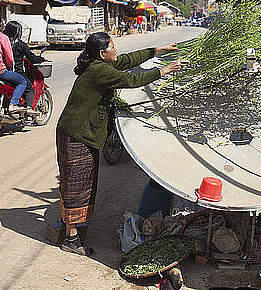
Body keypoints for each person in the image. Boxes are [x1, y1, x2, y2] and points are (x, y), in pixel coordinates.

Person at [56, 32, 188, 256]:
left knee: (82, 182)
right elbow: (131, 80)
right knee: (76, 185)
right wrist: (163, 70)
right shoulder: (101, 71)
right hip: (76, 133)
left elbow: (127, 60)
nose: (115, 50)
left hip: (80, 132)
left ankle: (72, 226)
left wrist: (158, 50)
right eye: (112, 47)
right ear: (102, 53)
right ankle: (70, 238)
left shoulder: (102, 64)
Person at [3, 21, 46, 113]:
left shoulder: (2, 42)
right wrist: (41, 59)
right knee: (30, 89)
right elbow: (31, 57)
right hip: (17, 72)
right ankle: (29, 109)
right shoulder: (20, 45)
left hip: (3, 71)